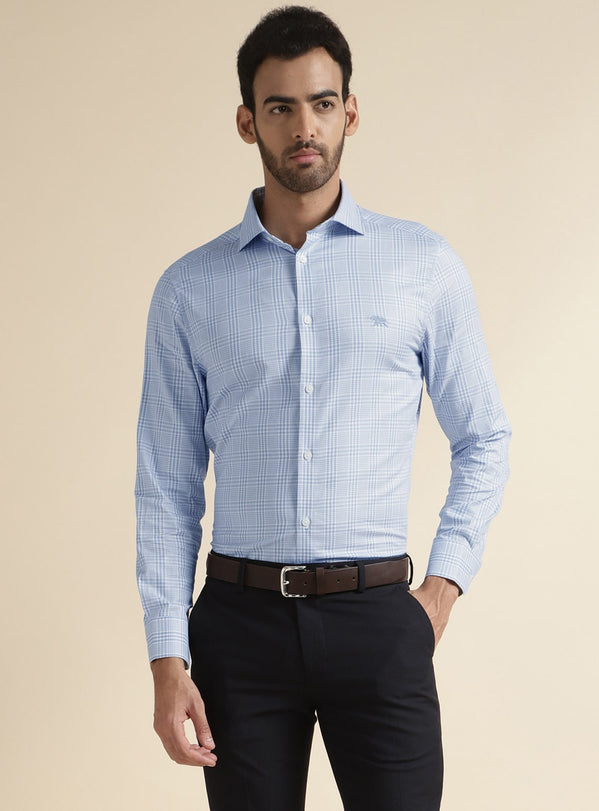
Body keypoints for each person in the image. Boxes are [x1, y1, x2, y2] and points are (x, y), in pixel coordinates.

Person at [135, 6, 511, 810]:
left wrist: (441, 587)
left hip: (379, 621)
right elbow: (166, 484)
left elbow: (484, 437)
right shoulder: (189, 290)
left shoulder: (422, 266)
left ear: (351, 112)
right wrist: (167, 656)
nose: (303, 127)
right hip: (238, 630)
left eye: (322, 103)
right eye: (280, 107)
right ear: (247, 122)